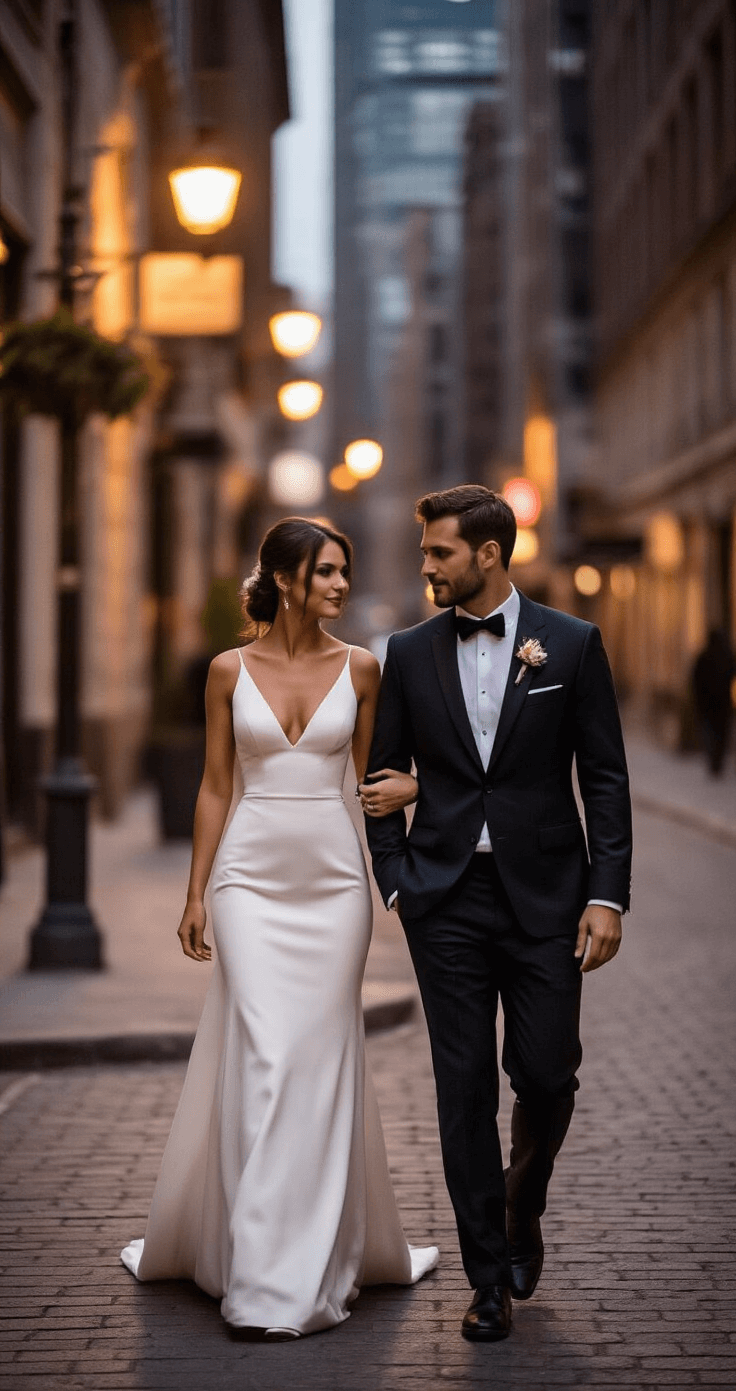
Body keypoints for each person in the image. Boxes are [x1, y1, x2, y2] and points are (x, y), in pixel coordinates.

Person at [121, 517, 438, 1338]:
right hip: (248, 881)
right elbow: (216, 789)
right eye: (328, 572)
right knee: (265, 1057)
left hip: (334, 887)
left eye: (344, 571)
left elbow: (376, 784)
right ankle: (260, 1271)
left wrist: (409, 819)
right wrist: (196, 893)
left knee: (317, 1062)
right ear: (287, 579)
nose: (341, 585)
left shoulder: (364, 669)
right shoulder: (228, 671)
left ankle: (315, 1255)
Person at [362, 485, 632, 1343]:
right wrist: (399, 882)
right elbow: (380, 782)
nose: (426, 566)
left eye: (439, 552)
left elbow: (605, 778)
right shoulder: (407, 652)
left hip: (549, 896)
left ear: (487, 553)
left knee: (548, 1073)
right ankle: (487, 1280)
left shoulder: (574, 644)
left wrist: (606, 893)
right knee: (463, 1090)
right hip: (444, 902)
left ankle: (521, 1210)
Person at [691, 628, 735, 776]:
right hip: (720, 704)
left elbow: (695, 680)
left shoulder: (704, 657)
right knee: (719, 733)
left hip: (710, 704)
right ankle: (716, 762)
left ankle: (715, 762)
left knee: (712, 733)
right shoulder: (725, 656)